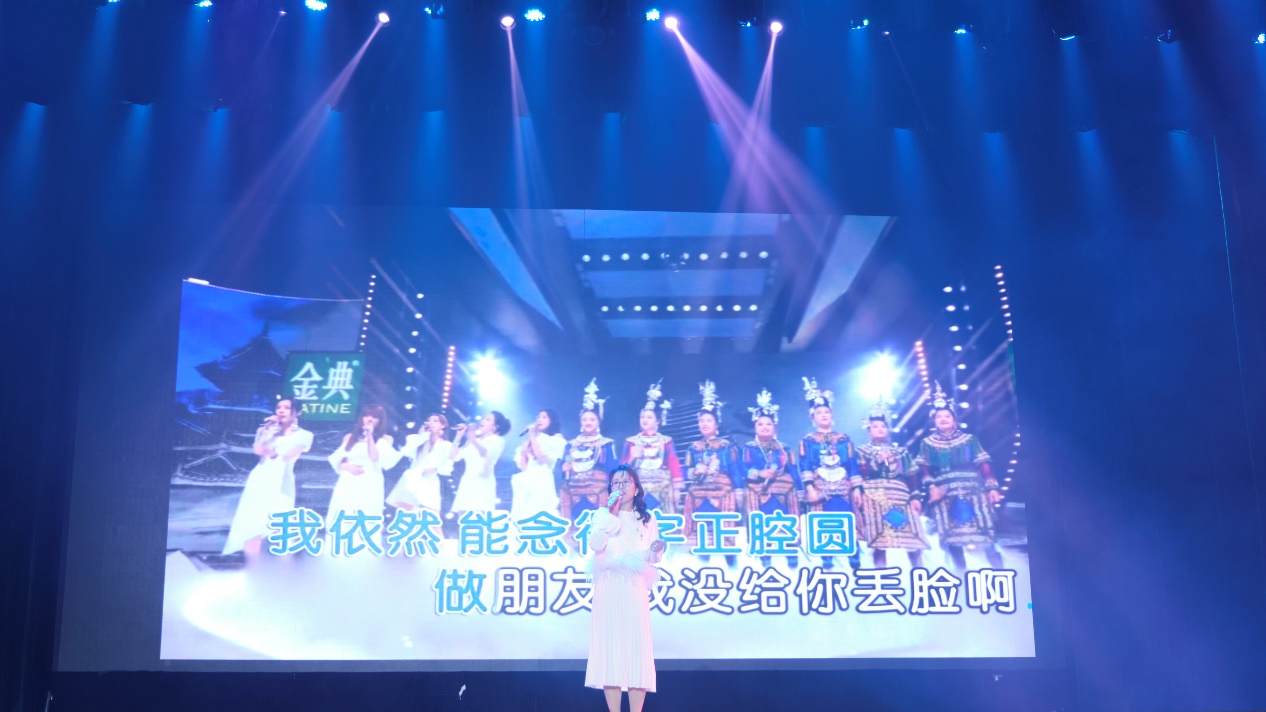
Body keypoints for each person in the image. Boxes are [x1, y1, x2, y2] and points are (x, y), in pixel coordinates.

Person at [586, 464, 665, 712]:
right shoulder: (601, 515)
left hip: (634, 586)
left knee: (635, 649)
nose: (620, 487)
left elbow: (652, 557)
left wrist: (656, 551)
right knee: (610, 649)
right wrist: (611, 514)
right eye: (616, 483)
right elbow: (595, 545)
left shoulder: (648, 518)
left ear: (636, 487)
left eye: (625, 482)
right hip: (609, 584)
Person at [915, 383, 1004, 572]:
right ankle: (961, 579)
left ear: (954, 419)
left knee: (986, 539)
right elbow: (924, 469)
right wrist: (931, 486)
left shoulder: (969, 440)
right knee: (953, 543)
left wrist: (992, 486)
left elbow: (983, 463)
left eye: (947, 416)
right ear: (934, 421)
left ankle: (1001, 574)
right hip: (944, 496)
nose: (943, 419)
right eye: (939, 417)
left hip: (973, 493)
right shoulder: (927, 444)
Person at [223, 398, 313, 556]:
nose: (281, 410)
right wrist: (268, 432)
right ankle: (251, 560)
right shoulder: (265, 430)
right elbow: (258, 451)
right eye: (279, 407)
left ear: (297, 412)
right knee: (252, 520)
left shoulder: (305, 435)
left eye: (287, 407)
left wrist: (273, 453)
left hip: (282, 479)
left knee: (279, 519)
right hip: (260, 477)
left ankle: (280, 562)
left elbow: (290, 456)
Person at [855, 398, 929, 568]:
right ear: (869, 430)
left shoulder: (901, 452)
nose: (879, 429)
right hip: (874, 499)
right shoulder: (862, 451)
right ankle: (881, 574)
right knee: (880, 542)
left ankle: (920, 574)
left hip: (901, 498)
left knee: (912, 541)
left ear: (888, 429)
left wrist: (915, 497)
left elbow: (911, 475)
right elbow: (860, 473)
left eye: (883, 426)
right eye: (875, 427)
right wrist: (877, 462)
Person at [798, 377, 861, 570]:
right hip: (820, 488)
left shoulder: (843, 439)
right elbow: (805, 464)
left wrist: (857, 488)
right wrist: (809, 488)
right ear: (812, 417)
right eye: (819, 412)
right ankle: (827, 564)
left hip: (843, 488)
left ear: (832, 414)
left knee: (847, 524)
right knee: (823, 526)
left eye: (826, 412)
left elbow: (851, 463)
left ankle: (855, 563)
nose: (823, 415)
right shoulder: (808, 440)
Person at [740, 389, 801, 568]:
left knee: (785, 524)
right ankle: (765, 559)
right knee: (762, 526)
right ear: (755, 428)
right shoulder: (749, 448)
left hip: (783, 494)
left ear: (775, 427)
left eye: (768, 424)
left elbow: (794, 470)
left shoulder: (785, 448)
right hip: (758, 493)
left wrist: (801, 491)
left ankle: (791, 556)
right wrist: (759, 473)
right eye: (760, 424)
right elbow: (743, 468)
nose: (765, 427)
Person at [682, 380, 739, 563]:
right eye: (702, 421)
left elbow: (735, 470)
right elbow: (686, 471)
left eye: (709, 420)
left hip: (722, 490)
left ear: (716, 424)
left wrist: (739, 491)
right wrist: (694, 471)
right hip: (699, 491)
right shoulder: (693, 447)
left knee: (722, 530)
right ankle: (703, 561)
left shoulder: (726, 446)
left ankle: (730, 560)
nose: (705, 424)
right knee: (703, 529)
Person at [326, 405, 402, 540]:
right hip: (348, 481)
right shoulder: (349, 437)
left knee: (367, 514)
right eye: (367, 416)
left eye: (374, 417)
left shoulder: (385, 439)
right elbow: (341, 460)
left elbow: (374, 457)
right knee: (343, 513)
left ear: (380, 421)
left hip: (370, 481)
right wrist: (346, 466)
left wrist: (370, 436)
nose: (370, 419)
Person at [558, 379, 620, 523]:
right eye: (585, 419)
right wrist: (564, 468)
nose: (588, 422)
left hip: (598, 489)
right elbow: (563, 467)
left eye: (592, 419)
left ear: (598, 422)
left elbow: (612, 468)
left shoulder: (606, 444)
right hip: (573, 489)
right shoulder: (571, 444)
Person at [621, 381, 682, 513]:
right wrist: (632, 458)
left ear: (658, 420)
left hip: (662, 488)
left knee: (660, 518)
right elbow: (621, 469)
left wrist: (677, 489)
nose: (645, 420)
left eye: (649, 417)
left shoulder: (666, 441)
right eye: (642, 417)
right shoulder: (631, 442)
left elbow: (673, 463)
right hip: (638, 488)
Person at [385, 413, 453, 513]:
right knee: (407, 514)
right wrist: (422, 436)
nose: (431, 423)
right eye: (429, 421)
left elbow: (448, 468)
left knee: (430, 516)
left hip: (430, 482)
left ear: (442, 425)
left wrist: (435, 469)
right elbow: (406, 452)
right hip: (412, 479)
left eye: (435, 421)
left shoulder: (446, 446)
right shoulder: (415, 439)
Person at [510, 409, 566, 520]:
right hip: (526, 481)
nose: (540, 420)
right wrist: (524, 451)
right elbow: (523, 466)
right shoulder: (533, 440)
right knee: (522, 515)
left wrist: (532, 436)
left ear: (552, 420)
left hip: (542, 479)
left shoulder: (555, 439)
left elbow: (541, 458)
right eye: (538, 417)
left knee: (539, 513)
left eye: (544, 417)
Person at [450, 411, 510, 513]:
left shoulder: (498, 440)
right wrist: (458, 436)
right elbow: (453, 456)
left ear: (495, 426)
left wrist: (473, 439)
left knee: (479, 516)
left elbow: (485, 453)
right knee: (463, 516)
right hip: (467, 482)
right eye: (483, 418)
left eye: (488, 419)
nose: (483, 421)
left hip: (483, 483)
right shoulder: (474, 441)